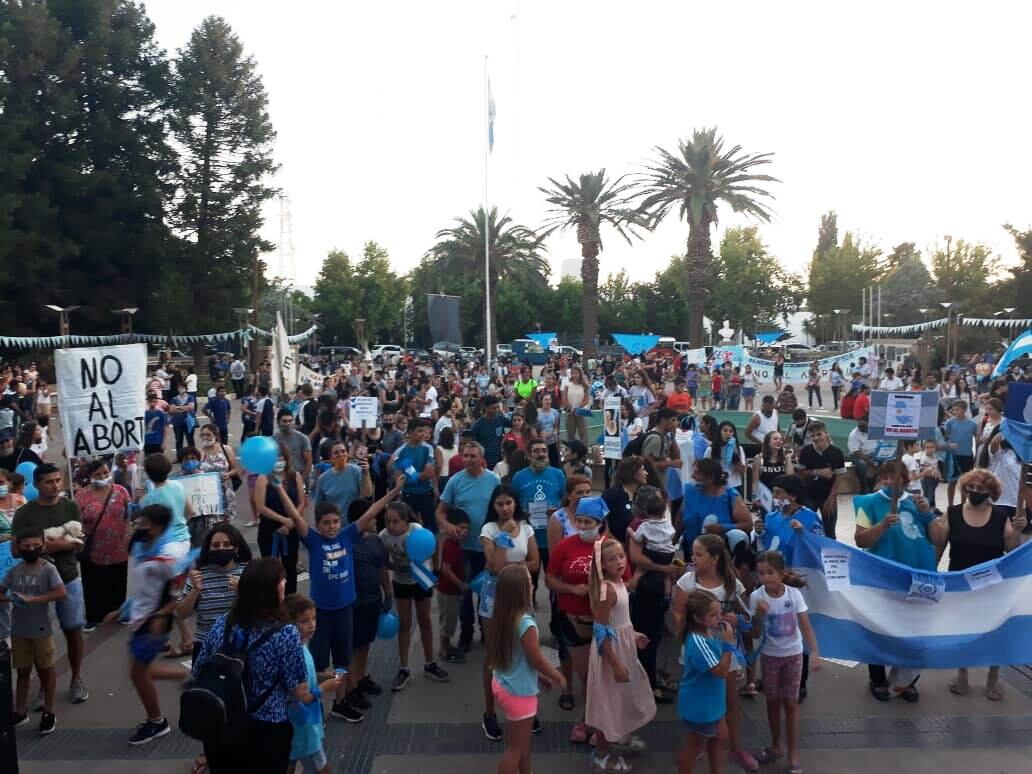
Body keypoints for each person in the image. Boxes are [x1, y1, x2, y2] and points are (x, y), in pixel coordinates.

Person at [193, 558, 309, 773]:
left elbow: (198, 669)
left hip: (222, 725)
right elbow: (297, 688)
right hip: (267, 729)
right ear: (269, 591)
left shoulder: (222, 623)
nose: (285, 583)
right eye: (281, 580)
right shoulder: (285, 633)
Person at [930, 469, 1024, 700]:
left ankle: (993, 676)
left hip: (992, 586)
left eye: (981, 489)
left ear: (991, 493)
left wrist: (1018, 532)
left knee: (994, 630)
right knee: (962, 629)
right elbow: (939, 544)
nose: (974, 492)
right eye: (970, 488)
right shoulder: (952, 513)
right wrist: (930, 574)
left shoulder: (1001, 516)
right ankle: (962, 673)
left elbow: (1011, 550)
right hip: (960, 583)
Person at [671, 533, 757, 771]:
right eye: (694, 553)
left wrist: (737, 620)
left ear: (715, 558)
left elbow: (747, 617)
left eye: (699, 554)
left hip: (727, 651)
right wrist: (690, 631)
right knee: (703, 692)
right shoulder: (688, 581)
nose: (693, 558)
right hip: (701, 651)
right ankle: (701, 740)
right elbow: (678, 611)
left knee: (729, 701)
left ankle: (735, 747)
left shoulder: (732, 583)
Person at [854, 461, 936, 702]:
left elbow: (939, 536)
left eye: (896, 477)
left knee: (912, 630)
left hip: (916, 578)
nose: (890, 482)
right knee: (878, 628)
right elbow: (860, 540)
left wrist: (929, 515)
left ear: (905, 480)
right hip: (882, 578)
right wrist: (881, 526)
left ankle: (906, 680)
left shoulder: (916, 502)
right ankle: (877, 678)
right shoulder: (868, 502)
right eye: (886, 477)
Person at [545, 496, 623, 745]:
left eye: (588, 522)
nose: (582, 526)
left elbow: (627, 580)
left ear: (600, 523)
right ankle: (590, 720)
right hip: (574, 620)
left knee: (604, 677)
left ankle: (598, 723)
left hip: (607, 623)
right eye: (579, 521)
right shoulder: (564, 547)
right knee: (588, 677)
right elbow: (550, 579)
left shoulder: (611, 548)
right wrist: (570, 588)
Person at [12, 464, 90, 704]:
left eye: (58, 480)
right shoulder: (25, 513)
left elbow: (80, 543)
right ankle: (45, 687)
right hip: (34, 584)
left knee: (73, 629)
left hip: (67, 578)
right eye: (49, 481)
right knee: (38, 636)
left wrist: (51, 545)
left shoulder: (70, 506)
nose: (55, 485)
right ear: (36, 484)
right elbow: (16, 549)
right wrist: (54, 545)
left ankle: (77, 678)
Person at [119, 504, 192, 745]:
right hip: (140, 616)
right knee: (139, 671)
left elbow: (175, 595)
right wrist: (124, 609)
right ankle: (185, 677)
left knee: (138, 673)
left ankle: (157, 721)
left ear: (157, 525)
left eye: (143, 521)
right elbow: (144, 586)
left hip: (153, 622)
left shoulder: (169, 554)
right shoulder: (142, 544)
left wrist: (160, 618)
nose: (138, 523)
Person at [489, 563, 567, 774]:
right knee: (515, 749)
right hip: (519, 693)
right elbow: (537, 659)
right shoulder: (526, 624)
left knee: (522, 743)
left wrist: (538, 676)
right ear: (522, 590)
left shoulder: (504, 616)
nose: (533, 585)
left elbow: (521, 657)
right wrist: (556, 675)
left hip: (503, 682)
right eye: (531, 583)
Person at [586, 537, 656, 771]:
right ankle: (602, 754)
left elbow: (619, 623)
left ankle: (617, 735)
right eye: (612, 559)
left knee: (621, 698)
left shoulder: (619, 585)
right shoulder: (607, 591)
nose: (619, 561)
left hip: (622, 649)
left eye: (621, 556)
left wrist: (634, 635)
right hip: (610, 655)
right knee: (607, 702)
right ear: (602, 565)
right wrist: (614, 664)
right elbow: (601, 630)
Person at [478, 484, 541, 742]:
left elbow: (536, 563)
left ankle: (524, 705)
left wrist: (510, 567)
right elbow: (493, 567)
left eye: (509, 503)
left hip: (521, 595)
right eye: (500, 504)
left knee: (523, 651)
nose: (505, 509)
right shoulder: (490, 530)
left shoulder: (526, 528)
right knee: (494, 653)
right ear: (493, 506)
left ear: (515, 503)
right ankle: (490, 712)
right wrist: (503, 538)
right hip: (494, 597)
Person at [749, 550, 821, 774]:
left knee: (791, 704)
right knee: (772, 703)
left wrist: (816, 651)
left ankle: (793, 754)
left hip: (794, 655)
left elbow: (805, 625)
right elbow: (754, 633)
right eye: (761, 573)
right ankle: (775, 746)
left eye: (770, 572)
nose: (765, 577)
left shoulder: (794, 595)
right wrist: (759, 615)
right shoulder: (756, 597)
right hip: (770, 656)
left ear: (781, 573)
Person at [435, 441, 502, 653]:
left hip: (487, 548)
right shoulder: (455, 481)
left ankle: (486, 631)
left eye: (473, 456)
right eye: (465, 456)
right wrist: (447, 526)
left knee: (487, 593)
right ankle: (466, 633)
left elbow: (501, 508)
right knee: (463, 592)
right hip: (463, 548)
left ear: (481, 458)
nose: (468, 460)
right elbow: (440, 511)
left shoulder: (493, 479)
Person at [381, 499, 450, 693]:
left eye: (395, 521)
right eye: (388, 521)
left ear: (405, 521)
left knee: (425, 620)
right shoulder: (384, 537)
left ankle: (430, 663)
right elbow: (383, 563)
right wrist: (396, 568)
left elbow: (432, 545)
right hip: (401, 582)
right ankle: (404, 668)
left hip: (421, 579)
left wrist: (435, 570)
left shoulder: (416, 530)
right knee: (404, 624)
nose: (391, 526)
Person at [2, 526, 66, 735]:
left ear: (43, 546)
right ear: (18, 547)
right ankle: (20, 710)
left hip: (41, 629)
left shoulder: (48, 569)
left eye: (35, 546)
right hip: (19, 630)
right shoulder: (15, 571)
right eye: (26, 546)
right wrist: (11, 598)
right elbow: (1, 590)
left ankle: (49, 711)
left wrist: (34, 599)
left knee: (46, 670)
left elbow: (60, 592)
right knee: (22, 671)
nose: (31, 549)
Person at [282, 594, 344, 774]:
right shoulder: (297, 652)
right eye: (304, 621)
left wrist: (321, 676)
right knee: (321, 769)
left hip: (297, 723)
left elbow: (302, 679)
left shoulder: (301, 645)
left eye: (314, 618)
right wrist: (326, 687)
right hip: (304, 725)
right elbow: (304, 697)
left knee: (289, 763)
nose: (311, 625)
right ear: (291, 624)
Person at [677, 589, 735, 774]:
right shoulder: (699, 641)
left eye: (719, 613)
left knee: (720, 737)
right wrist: (728, 645)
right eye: (713, 615)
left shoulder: (708, 633)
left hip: (712, 701)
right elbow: (721, 671)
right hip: (701, 704)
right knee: (695, 746)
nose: (719, 618)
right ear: (697, 618)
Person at [74, 458, 132, 632]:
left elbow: (129, 515)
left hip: (118, 546)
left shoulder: (121, 491)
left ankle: (118, 612)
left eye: (105, 473)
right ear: (90, 476)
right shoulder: (81, 496)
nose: (103, 476)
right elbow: (76, 522)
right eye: (98, 474)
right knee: (93, 583)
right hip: (92, 548)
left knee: (118, 580)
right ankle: (93, 617)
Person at [176, 523, 250, 656]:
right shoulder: (198, 575)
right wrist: (195, 591)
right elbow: (181, 613)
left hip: (240, 644)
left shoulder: (248, 572)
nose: (221, 548)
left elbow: (261, 610)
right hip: (206, 646)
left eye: (227, 544)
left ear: (236, 548)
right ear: (208, 549)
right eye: (215, 545)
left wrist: (243, 592)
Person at [511, 439, 566, 594]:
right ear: (528, 455)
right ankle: (528, 608)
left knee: (554, 579)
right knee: (528, 581)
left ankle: (555, 614)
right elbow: (511, 505)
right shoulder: (519, 477)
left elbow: (566, 502)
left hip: (552, 537)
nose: (541, 454)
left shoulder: (558, 474)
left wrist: (557, 510)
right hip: (528, 537)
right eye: (536, 451)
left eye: (544, 450)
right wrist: (522, 513)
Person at [254, 443, 306, 595]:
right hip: (269, 529)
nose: (278, 462)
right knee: (269, 569)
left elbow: (302, 502)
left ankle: (290, 601)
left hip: (291, 528)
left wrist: (291, 522)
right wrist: (283, 520)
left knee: (290, 568)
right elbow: (261, 506)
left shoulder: (294, 476)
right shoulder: (263, 477)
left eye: (281, 458)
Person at [680, 459, 753, 549]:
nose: (692, 476)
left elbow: (748, 524)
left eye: (697, 473)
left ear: (710, 478)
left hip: (720, 553)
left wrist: (723, 527)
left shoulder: (730, 495)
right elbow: (681, 521)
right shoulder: (690, 491)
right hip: (692, 551)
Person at [796, 421, 845, 539]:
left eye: (819, 434)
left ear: (826, 434)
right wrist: (818, 472)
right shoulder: (806, 451)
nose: (816, 438)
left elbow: (839, 476)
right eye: (813, 436)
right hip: (809, 496)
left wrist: (831, 498)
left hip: (828, 495)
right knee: (806, 528)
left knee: (830, 531)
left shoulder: (836, 453)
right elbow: (800, 473)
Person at [390, 418, 438, 534]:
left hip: (426, 493)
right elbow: (399, 479)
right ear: (410, 432)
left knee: (430, 527)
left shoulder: (428, 448)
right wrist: (419, 476)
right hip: (408, 495)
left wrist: (412, 476)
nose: (423, 434)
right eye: (420, 431)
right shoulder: (400, 452)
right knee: (408, 528)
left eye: (424, 431)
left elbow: (429, 474)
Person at [437, 507, 470, 665]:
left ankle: (447, 645)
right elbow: (445, 569)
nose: (464, 532)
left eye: (467, 529)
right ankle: (444, 650)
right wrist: (460, 584)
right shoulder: (451, 546)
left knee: (450, 621)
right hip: (448, 591)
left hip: (452, 591)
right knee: (448, 623)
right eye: (461, 528)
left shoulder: (455, 545)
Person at [313, 440, 373, 520]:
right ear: (331, 458)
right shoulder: (323, 479)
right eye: (336, 452)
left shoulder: (356, 471)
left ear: (347, 454)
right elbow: (318, 507)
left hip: (354, 523)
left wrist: (366, 473)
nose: (340, 454)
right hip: (334, 525)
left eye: (343, 451)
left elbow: (367, 494)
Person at [197, 424, 239, 526]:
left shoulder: (226, 449)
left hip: (225, 490)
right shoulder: (199, 452)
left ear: (215, 435)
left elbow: (236, 468)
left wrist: (229, 474)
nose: (205, 437)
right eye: (202, 435)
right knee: (210, 522)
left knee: (225, 522)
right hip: (207, 493)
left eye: (208, 434)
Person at [602, 456, 648, 548]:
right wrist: (621, 548)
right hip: (616, 549)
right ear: (633, 473)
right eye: (642, 470)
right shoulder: (611, 495)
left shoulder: (642, 496)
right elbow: (603, 528)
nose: (646, 473)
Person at [945, 400, 978, 507]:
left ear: (964, 410)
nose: (955, 412)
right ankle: (950, 504)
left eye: (957, 409)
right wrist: (948, 444)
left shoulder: (972, 424)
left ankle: (963, 504)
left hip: (967, 455)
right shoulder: (950, 422)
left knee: (965, 482)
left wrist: (977, 454)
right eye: (953, 409)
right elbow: (945, 437)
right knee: (952, 482)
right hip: (954, 456)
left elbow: (977, 439)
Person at [752, 431, 793, 510]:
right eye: (775, 439)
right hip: (766, 497)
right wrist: (754, 497)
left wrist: (788, 458)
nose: (779, 441)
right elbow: (755, 481)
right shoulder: (759, 458)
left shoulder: (785, 458)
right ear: (768, 442)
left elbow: (791, 478)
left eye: (781, 439)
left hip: (782, 498)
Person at [846, 417, 880, 495]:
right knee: (862, 464)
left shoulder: (874, 431)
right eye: (859, 425)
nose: (860, 427)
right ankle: (863, 486)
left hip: (872, 453)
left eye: (863, 426)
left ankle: (871, 485)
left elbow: (878, 444)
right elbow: (856, 451)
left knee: (883, 463)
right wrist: (869, 461)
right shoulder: (854, 434)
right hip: (857, 455)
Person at [564, 365, 592, 444]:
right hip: (570, 413)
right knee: (570, 435)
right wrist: (570, 408)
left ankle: (584, 452)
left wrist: (577, 409)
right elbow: (564, 400)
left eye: (576, 373)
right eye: (573, 373)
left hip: (581, 413)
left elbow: (586, 400)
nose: (574, 375)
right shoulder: (567, 386)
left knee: (583, 435)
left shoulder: (584, 386)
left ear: (580, 374)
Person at [168, 383, 197, 456]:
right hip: (177, 422)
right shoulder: (174, 399)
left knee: (190, 439)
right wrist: (185, 408)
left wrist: (178, 407)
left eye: (182, 387)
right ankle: (179, 457)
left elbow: (191, 407)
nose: (181, 389)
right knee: (178, 440)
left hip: (189, 422)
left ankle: (193, 455)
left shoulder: (190, 397)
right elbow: (171, 410)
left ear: (186, 388)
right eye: (179, 387)